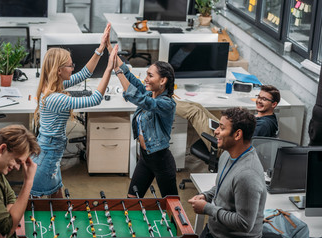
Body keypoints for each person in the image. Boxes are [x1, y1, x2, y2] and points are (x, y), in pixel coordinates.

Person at [30, 24, 118, 198]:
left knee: (56, 196)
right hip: (47, 155)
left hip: (51, 152)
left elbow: (85, 73)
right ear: (59, 70)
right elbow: (95, 99)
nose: (73, 68)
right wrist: (109, 68)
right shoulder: (55, 98)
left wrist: (100, 48)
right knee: (37, 203)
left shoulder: (54, 86)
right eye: (70, 66)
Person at [106, 41, 178, 198]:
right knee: (132, 200)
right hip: (145, 158)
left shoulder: (166, 103)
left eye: (150, 76)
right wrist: (111, 51)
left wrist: (117, 72)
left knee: (172, 206)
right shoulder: (149, 93)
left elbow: (142, 101)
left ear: (163, 80)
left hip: (161, 161)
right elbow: (130, 76)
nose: (146, 79)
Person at [188, 107, 267, 238]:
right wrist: (206, 196)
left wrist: (207, 209)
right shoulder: (226, 155)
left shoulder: (247, 175)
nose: (216, 132)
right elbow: (222, 186)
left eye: (222, 128)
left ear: (237, 135)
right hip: (215, 231)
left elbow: (244, 223)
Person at [175, 85, 280, 153]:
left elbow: (243, 144)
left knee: (194, 112)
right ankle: (167, 98)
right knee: (197, 106)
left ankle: (162, 101)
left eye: (264, 99)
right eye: (259, 97)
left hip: (226, 148)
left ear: (274, 104)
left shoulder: (264, 125)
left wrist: (224, 130)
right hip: (228, 135)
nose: (259, 101)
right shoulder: (265, 117)